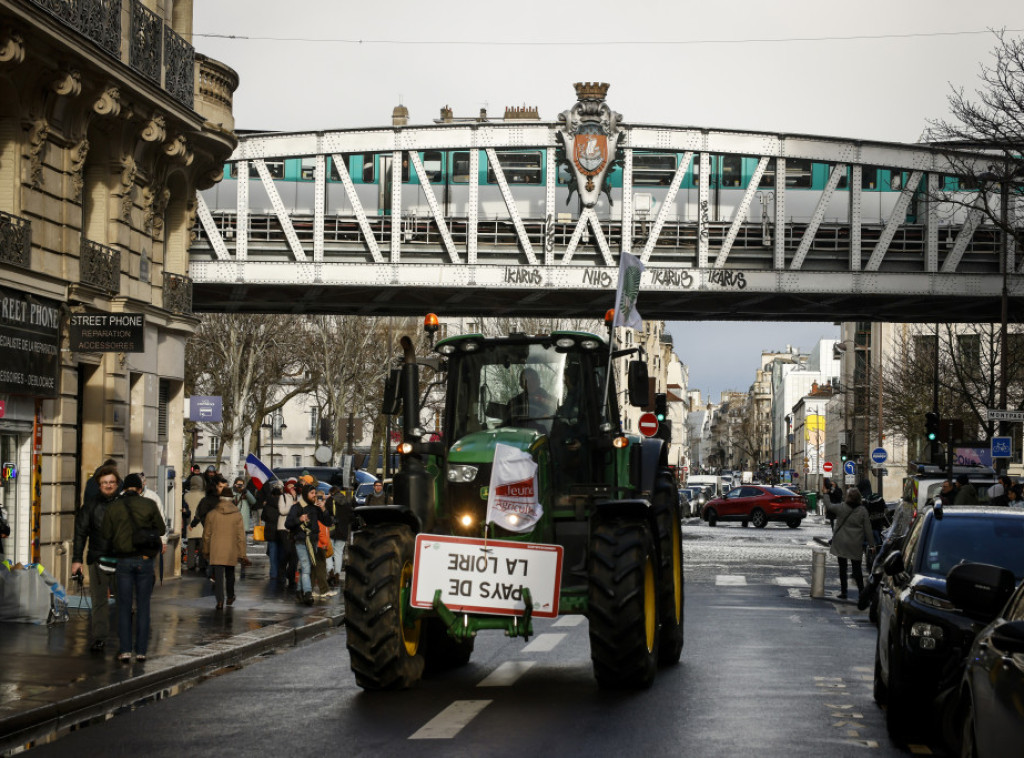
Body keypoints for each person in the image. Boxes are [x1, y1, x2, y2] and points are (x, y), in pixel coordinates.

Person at [101, 473, 165, 663]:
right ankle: (142, 651)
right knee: (143, 606)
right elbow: (161, 529)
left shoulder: (114, 507)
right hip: (145, 560)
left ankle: (126, 650)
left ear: (123, 488)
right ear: (139, 489)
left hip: (123, 560)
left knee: (124, 606)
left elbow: (106, 533)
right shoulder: (149, 505)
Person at [71, 464, 121, 653]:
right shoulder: (91, 506)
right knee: (99, 602)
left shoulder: (124, 504)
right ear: (99, 485)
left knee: (126, 601)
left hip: (122, 559)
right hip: (98, 559)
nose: (108, 485)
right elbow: (80, 533)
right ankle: (100, 638)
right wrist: (77, 560)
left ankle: (125, 639)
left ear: (117, 484)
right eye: (104, 483)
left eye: (111, 482)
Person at [285, 482, 333, 605]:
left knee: (307, 567)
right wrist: (299, 519)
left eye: (315, 493)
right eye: (312, 493)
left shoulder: (315, 508)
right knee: (306, 567)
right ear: (306, 494)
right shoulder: (297, 507)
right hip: (301, 540)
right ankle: (307, 593)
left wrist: (323, 508)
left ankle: (299, 591)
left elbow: (328, 522)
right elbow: (288, 524)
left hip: (313, 542)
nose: (314, 496)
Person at [202, 483, 247, 609]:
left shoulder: (212, 514)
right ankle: (230, 596)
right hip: (231, 549)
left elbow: (206, 535)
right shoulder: (237, 514)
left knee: (219, 576)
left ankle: (220, 601)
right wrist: (242, 554)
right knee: (230, 574)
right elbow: (241, 536)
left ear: (220, 498)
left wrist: (206, 550)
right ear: (231, 499)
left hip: (216, 549)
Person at [827, 486, 875, 600]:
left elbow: (829, 506)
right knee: (857, 569)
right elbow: (868, 529)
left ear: (848, 497)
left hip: (842, 542)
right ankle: (861, 592)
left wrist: (825, 494)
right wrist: (872, 544)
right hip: (855, 543)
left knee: (842, 568)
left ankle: (844, 592)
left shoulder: (842, 507)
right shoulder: (863, 511)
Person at [325, 486, 353, 586]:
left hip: (332, 530)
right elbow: (351, 516)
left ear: (331, 493)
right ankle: (337, 574)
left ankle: (330, 571)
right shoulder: (346, 502)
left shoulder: (330, 500)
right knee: (339, 553)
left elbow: (325, 514)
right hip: (343, 531)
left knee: (328, 551)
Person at [277, 479, 299, 590]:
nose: (292, 489)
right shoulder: (283, 497)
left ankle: (291, 577)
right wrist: (292, 506)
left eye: (293, 487)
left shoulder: (297, 498)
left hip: (294, 528)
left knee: (294, 555)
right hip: (283, 528)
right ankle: (281, 574)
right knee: (287, 551)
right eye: (290, 486)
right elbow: (282, 511)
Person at [261, 480, 284, 582]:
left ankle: (273, 574)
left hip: (270, 531)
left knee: (272, 554)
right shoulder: (283, 505)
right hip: (281, 531)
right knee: (281, 553)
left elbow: (263, 517)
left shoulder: (267, 504)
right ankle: (280, 573)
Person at [182, 472, 206, 571]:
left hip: (190, 524)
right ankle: (201, 565)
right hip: (201, 524)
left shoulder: (186, 496)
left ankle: (190, 564)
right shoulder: (204, 495)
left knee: (191, 547)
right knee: (201, 548)